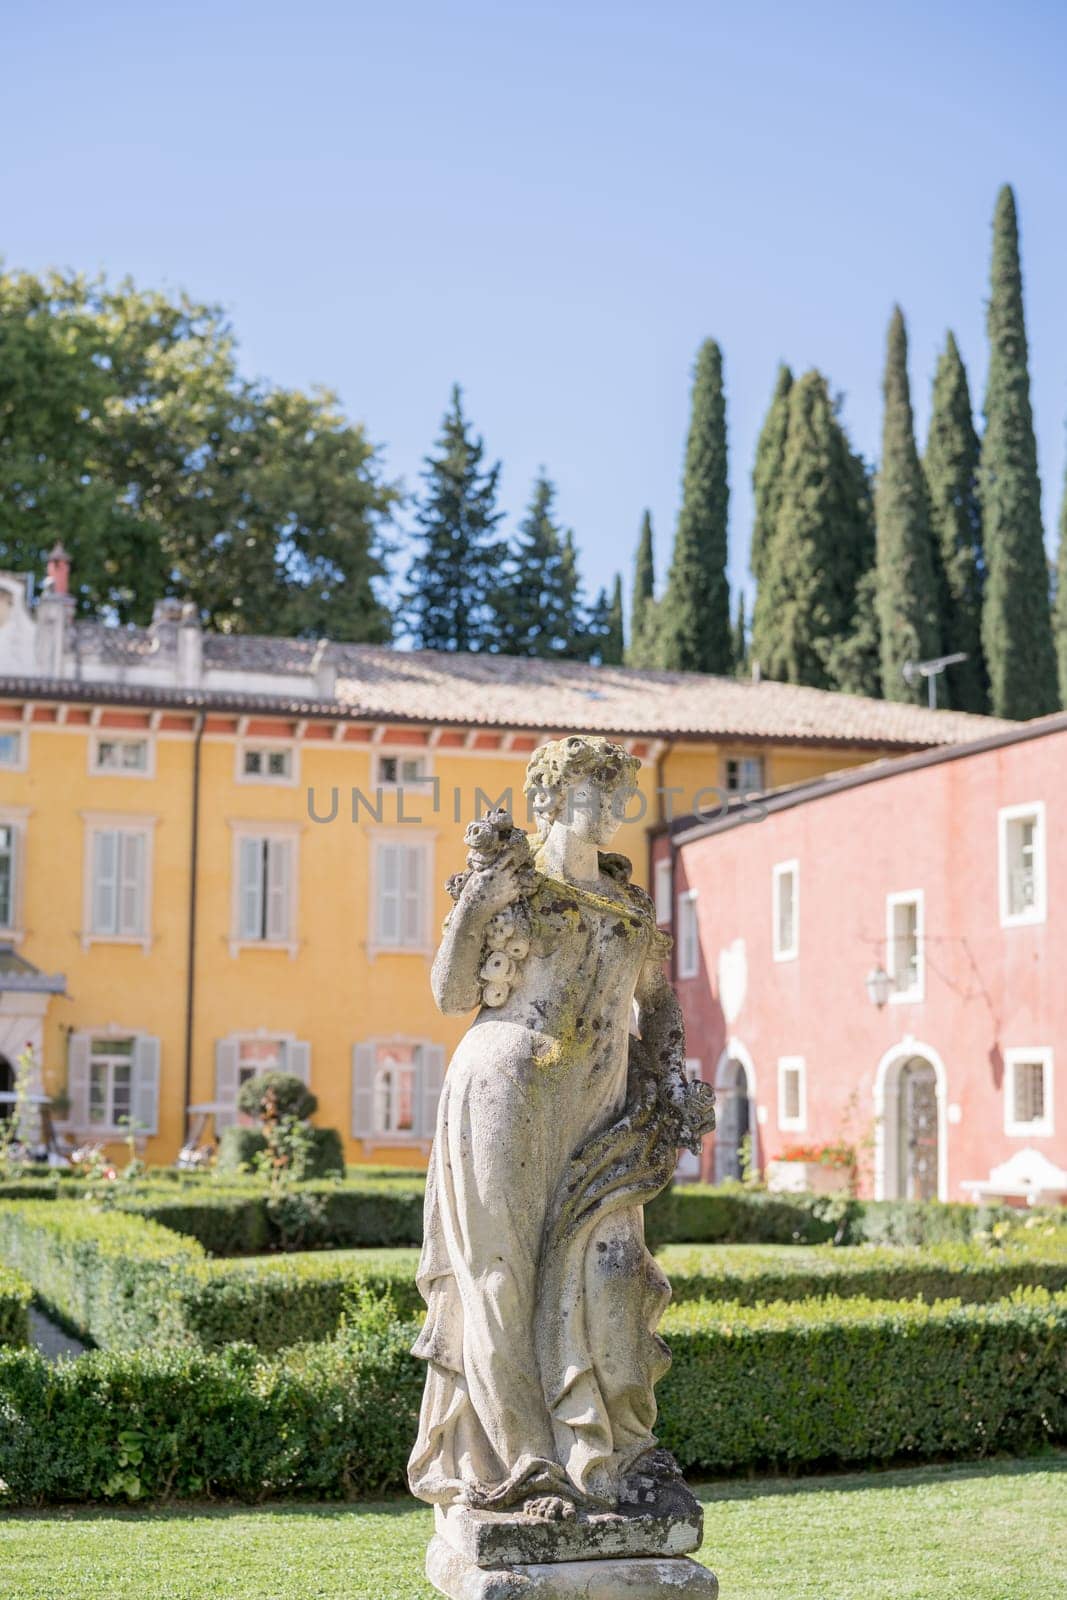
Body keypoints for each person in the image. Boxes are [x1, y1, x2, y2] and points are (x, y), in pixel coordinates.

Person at [408, 735, 714, 1520]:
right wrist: (478, 896)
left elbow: (659, 1004)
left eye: (619, 795)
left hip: (599, 1105)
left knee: (616, 1271)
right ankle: (528, 1463)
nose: (612, 809)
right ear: (547, 799)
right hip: (504, 1090)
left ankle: (618, 1456)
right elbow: (449, 993)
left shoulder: (628, 904)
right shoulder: (516, 885)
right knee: (502, 1281)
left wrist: (670, 1075)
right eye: (594, 792)